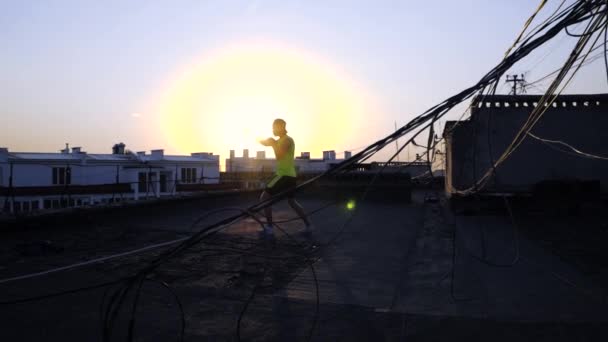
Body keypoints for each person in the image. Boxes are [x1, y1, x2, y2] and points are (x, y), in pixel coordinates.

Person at [258, 118, 312, 240]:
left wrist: (272, 144)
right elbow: (266, 143)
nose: (272, 129)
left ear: (281, 127)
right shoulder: (280, 140)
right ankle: (309, 226)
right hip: (290, 176)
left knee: (264, 197)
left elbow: (279, 155)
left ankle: (270, 229)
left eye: (274, 127)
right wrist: (259, 139)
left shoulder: (287, 140)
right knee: (292, 201)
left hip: (284, 175)